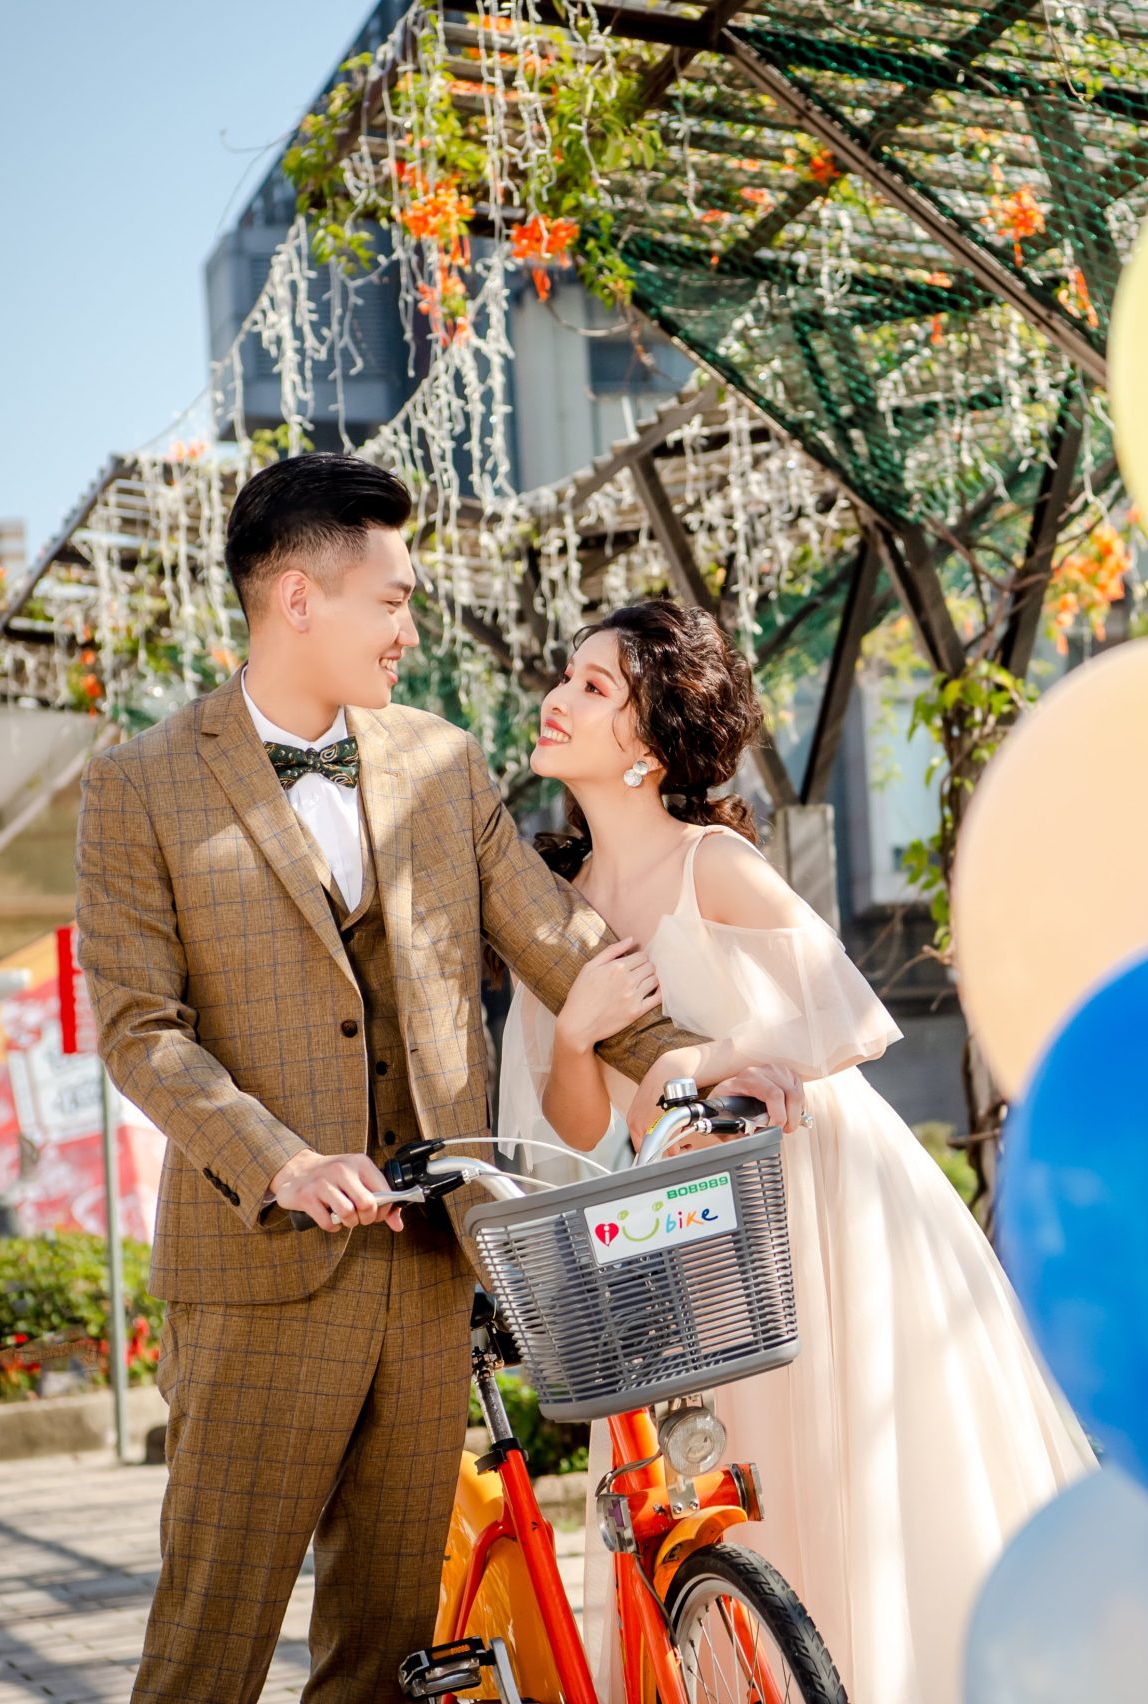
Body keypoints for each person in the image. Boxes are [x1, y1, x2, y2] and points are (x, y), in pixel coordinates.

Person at [74, 457, 801, 1702]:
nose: (410, 630)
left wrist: (689, 1065)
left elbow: (564, 948)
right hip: (258, 1280)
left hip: (427, 1272)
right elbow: (142, 1030)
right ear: (297, 599)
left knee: (387, 1655)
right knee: (207, 1653)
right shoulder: (138, 786)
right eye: (393, 601)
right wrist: (281, 1161)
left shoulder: (441, 762)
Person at [501, 598, 1096, 1702]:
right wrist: (578, 1034)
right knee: (710, 1498)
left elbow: (849, 1011)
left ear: (648, 743)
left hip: (808, 1197)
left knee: (842, 1475)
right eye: (566, 674)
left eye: (593, 685)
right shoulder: (559, 909)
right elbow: (579, 1130)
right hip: (683, 1227)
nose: (558, 698)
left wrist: (710, 1058)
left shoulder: (711, 863)